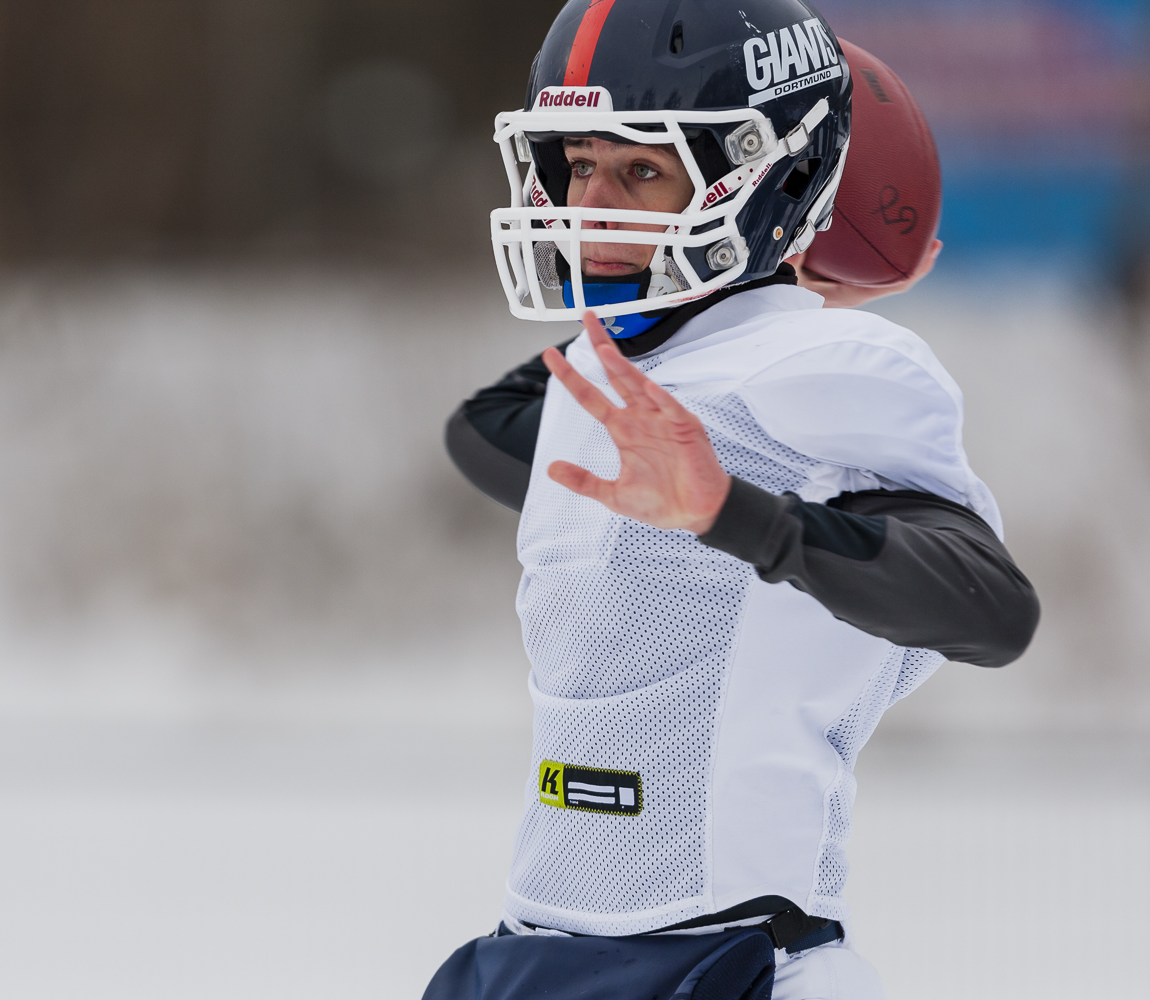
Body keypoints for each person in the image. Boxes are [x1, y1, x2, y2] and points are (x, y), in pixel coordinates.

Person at [427, 2, 1039, 999]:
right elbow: (482, 429)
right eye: (578, 165)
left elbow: (989, 607)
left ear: (769, 175)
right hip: (535, 951)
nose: (589, 206)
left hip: (735, 962)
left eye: (641, 169)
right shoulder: (613, 372)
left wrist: (734, 513)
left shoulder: (816, 364)